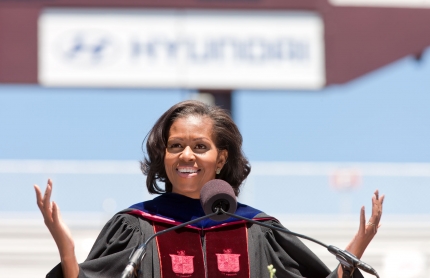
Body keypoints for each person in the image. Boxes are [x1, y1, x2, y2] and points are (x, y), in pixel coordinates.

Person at [35, 100, 384, 278]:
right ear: (164, 155)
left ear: (220, 159)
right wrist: (67, 251)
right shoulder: (138, 228)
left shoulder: (256, 230)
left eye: (200, 146)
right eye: (175, 146)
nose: (186, 155)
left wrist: (355, 249)